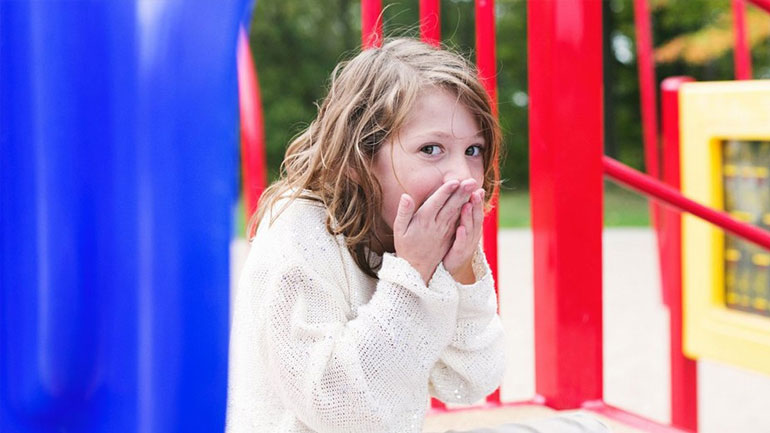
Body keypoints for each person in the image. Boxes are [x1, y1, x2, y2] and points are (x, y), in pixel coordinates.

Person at [226, 38, 609, 433]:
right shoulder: (299, 234)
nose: (462, 175)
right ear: (359, 159)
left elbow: (471, 380)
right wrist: (413, 274)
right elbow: (340, 410)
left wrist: (458, 273)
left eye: (473, 151)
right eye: (431, 149)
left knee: (589, 427)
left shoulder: (413, 234)